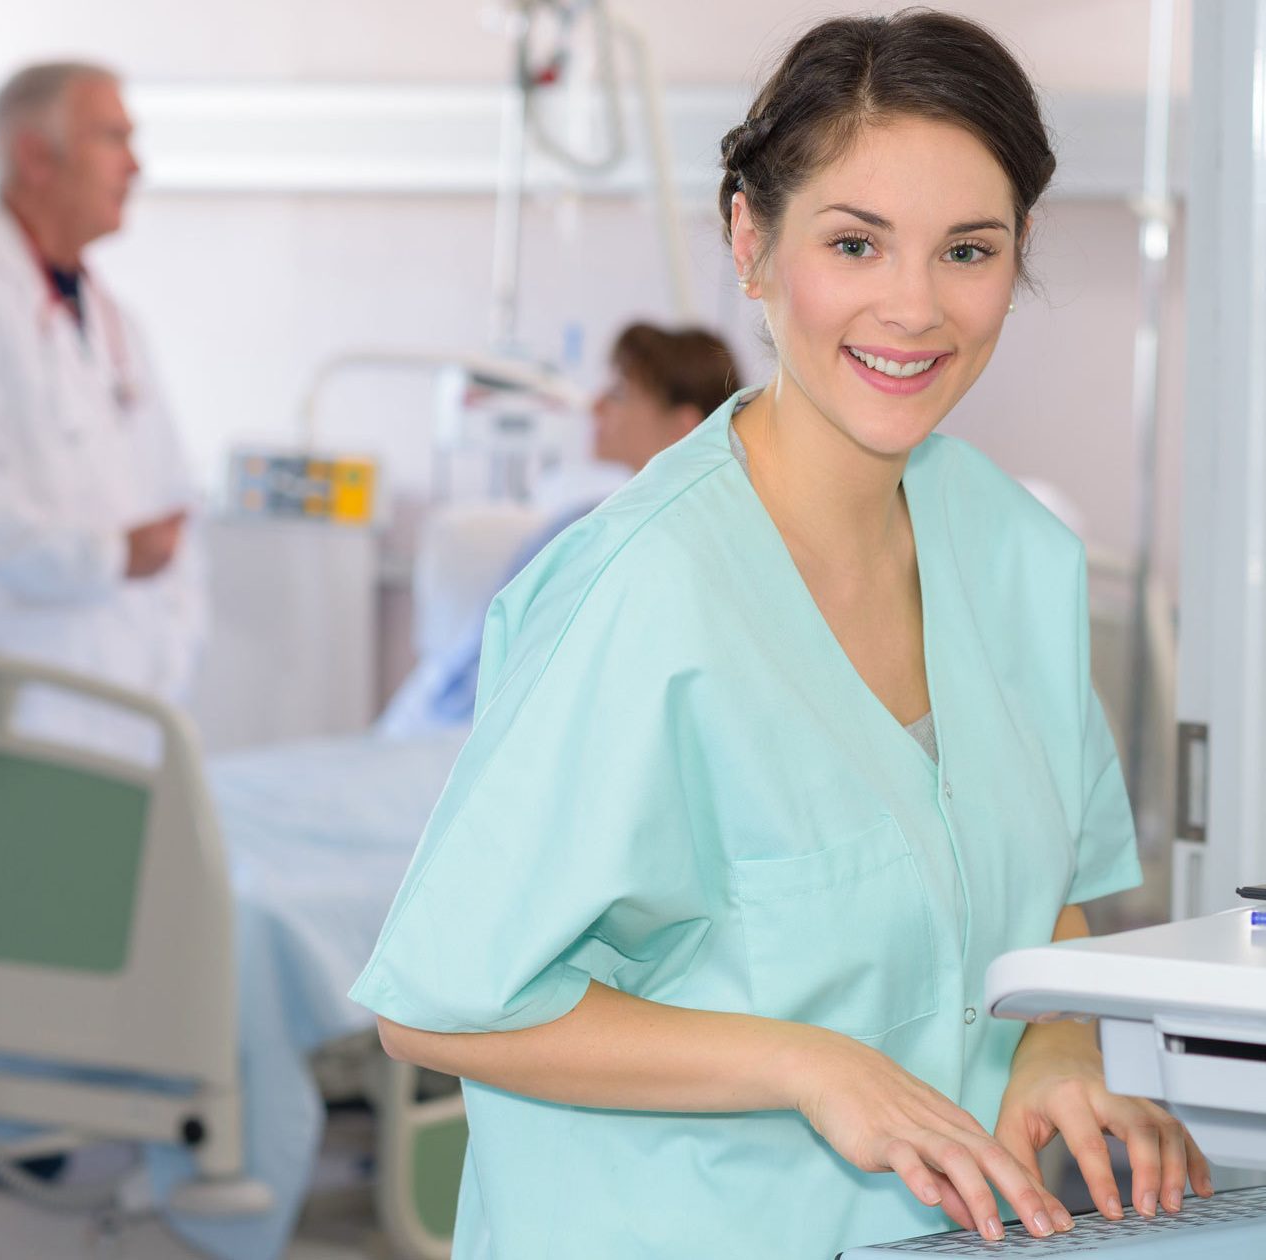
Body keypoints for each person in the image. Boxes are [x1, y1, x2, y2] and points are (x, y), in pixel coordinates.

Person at [350, 12, 1211, 1257]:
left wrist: (1055, 1050)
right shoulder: (644, 593)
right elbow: (437, 1008)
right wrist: (811, 1067)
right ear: (750, 244)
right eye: (853, 243)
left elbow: (1049, 902)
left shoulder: (1015, 554)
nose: (911, 308)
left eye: (966, 250)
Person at [0, 62, 202, 728]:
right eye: (112, 138)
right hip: (18, 704)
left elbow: (176, 512)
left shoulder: (119, 324)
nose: (135, 167)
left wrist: (176, 647)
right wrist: (110, 556)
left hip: (132, 698)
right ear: (36, 156)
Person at [375, 322, 737, 735]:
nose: (596, 405)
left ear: (683, 426)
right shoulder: (591, 522)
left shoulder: (613, 535)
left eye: (619, 393)